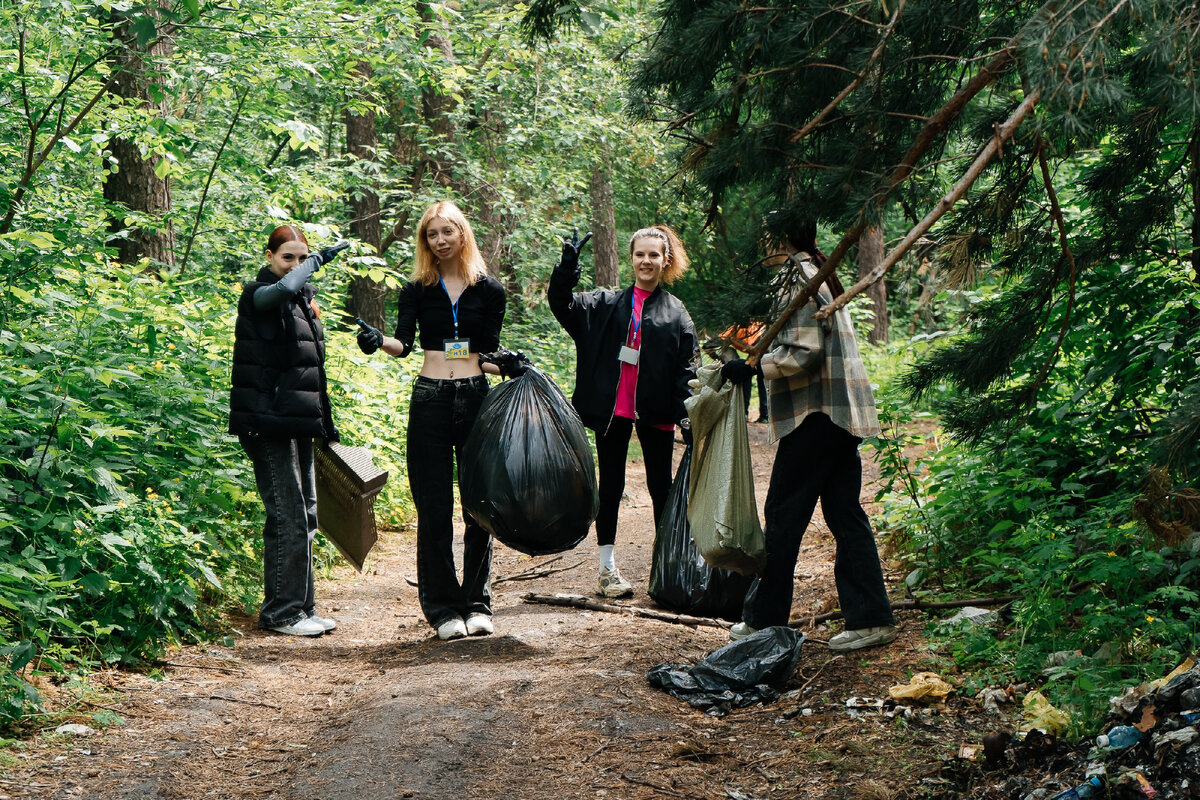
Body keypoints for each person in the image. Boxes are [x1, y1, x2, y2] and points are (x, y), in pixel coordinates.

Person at [722, 219, 896, 651]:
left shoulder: (796, 275)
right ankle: (871, 617)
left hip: (815, 417)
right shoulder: (817, 268)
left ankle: (765, 620)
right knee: (845, 515)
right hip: (838, 415)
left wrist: (750, 368)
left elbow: (804, 351)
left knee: (783, 518)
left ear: (778, 236)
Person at [356, 201, 524, 641]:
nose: (440, 240)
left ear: (462, 234)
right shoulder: (417, 290)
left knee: (477, 506)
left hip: (474, 399)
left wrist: (507, 364)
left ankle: (477, 603)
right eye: (432, 234)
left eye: (447, 232)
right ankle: (443, 609)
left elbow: (486, 354)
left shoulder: (490, 291)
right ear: (425, 241)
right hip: (429, 399)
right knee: (433, 509)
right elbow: (405, 345)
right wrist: (378, 341)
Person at [548, 226, 699, 598]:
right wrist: (566, 269)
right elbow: (561, 303)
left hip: (657, 410)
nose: (646, 261)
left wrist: (688, 415)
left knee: (660, 487)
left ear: (666, 260)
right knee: (611, 486)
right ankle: (606, 570)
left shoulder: (676, 312)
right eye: (639, 255)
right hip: (612, 410)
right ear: (631, 259)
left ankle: (667, 567)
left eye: (653, 255)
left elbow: (687, 371)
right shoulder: (604, 304)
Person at [229, 225, 349, 637]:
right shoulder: (259, 294)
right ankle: (281, 613)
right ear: (269, 257)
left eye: (303, 258)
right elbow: (276, 292)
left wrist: (325, 426)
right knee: (288, 515)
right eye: (288, 258)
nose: (297, 266)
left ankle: (302, 608)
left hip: (297, 423)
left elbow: (311, 374)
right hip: (266, 423)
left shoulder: (303, 301)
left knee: (307, 512)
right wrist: (315, 263)